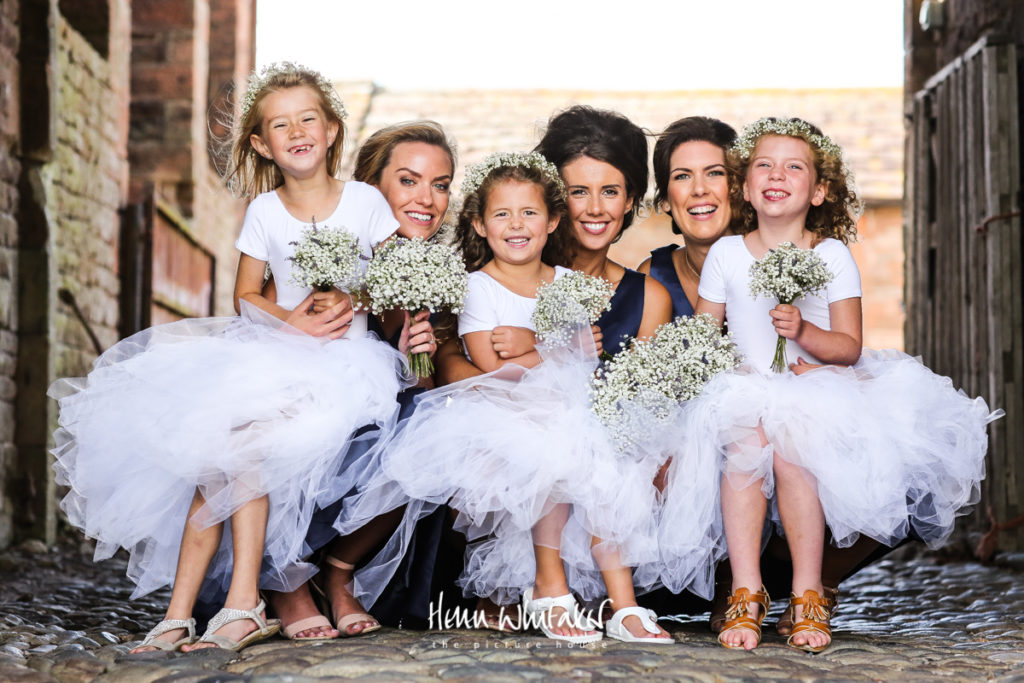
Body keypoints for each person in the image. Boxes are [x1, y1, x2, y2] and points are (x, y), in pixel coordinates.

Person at [48, 62, 409, 653]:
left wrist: (353, 295)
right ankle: (184, 612)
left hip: (345, 364)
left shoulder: (365, 202)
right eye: (280, 124)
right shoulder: (264, 212)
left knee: (241, 444)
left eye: (309, 119)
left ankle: (239, 604)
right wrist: (291, 318)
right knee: (213, 451)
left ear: (333, 130)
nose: (297, 131)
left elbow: (399, 282)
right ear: (261, 143)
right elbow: (245, 297)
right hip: (274, 352)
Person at [691, 117, 999, 652]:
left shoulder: (830, 254)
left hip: (817, 386)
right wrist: (714, 365)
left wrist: (803, 331)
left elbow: (849, 346)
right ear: (744, 186)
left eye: (794, 167)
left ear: (819, 190)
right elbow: (703, 332)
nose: (776, 175)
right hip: (745, 386)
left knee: (793, 450)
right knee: (744, 446)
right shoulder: (727, 254)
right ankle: (747, 590)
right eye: (763, 165)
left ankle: (808, 593)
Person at [336, 151, 670, 644]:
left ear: (553, 220)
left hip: (571, 409)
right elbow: (490, 370)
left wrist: (550, 349)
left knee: (608, 467)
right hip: (501, 413)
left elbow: (585, 364)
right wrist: (552, 348)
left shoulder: (573, 285)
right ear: (479, 223)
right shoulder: (477, 288)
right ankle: (549, 586)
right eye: (502, 214)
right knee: (557, 449)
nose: (517, 225)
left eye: (530, 213)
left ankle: (624, 605)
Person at [262, 121, 457, 639]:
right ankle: (284, 576)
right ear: (371, 188)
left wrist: (422, 353)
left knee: (435, 429)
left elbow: (423, 387)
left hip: (384, 400)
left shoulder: (432, 267)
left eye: (440, 185)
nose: (428, 198)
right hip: (312, 381)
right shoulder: (327, 245)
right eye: (409, 181)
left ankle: (339, 570)